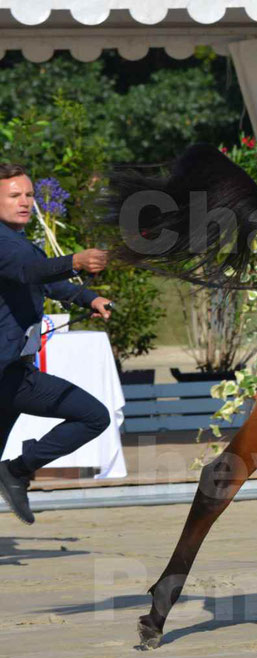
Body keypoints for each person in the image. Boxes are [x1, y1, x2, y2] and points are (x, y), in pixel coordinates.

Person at [0, 163, 113, 524]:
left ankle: (14, 472)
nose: (25, 202)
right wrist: (75, 261)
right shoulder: (5, 245)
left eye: (29, 195)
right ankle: (17, 471)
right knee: (93, 416)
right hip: (8, 375)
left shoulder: (21, 244)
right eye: (14, 195)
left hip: (13, 371)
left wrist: (90, 299)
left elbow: (45, 282)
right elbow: (29, 272)